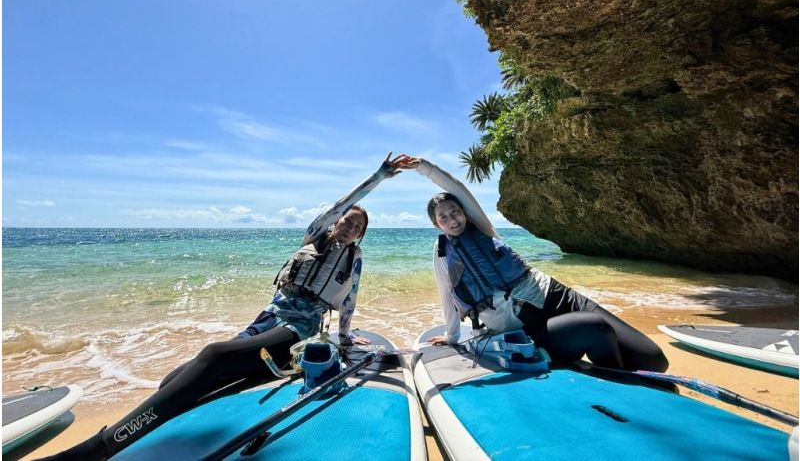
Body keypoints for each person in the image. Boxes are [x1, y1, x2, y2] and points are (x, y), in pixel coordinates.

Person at [41, 154, 406, 461]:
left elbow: (349, 302)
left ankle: (97, 448)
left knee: (215, 355)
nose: (348, 225)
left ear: (360, 235)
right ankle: (148, 432)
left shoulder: (353, 261)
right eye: (347, 220)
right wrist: (378, 177)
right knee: (179, 376)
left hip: (297, 332)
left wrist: (344, 338)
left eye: (356, 226)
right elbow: (339, 205)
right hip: (267, 319)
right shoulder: (314, 235)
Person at [396, 155, 668, 372]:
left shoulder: (482, 227)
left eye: (455, 211)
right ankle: (618, 390)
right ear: (436, 224)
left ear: (464, 213)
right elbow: (448, 295)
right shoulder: (442, 252)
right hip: (527, 323)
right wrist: (452, 337)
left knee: (655, 361)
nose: (452, 219)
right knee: (596, 328)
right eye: (444, 217)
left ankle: (610, 368)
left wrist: (423, 166)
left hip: (556, 295)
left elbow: (459, 189)